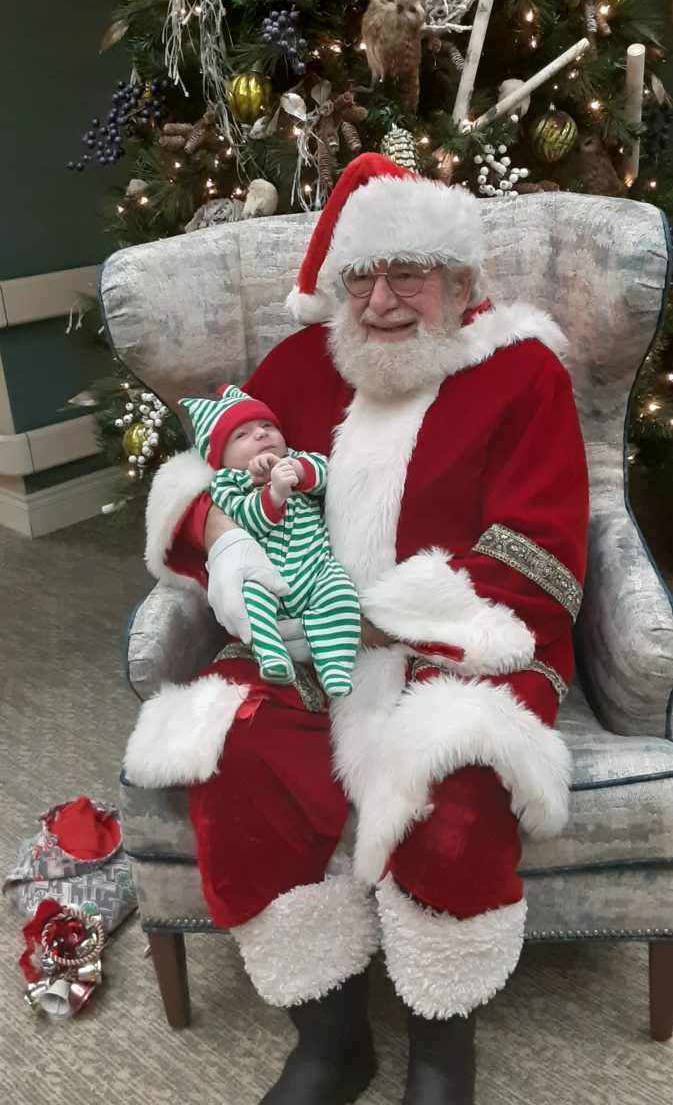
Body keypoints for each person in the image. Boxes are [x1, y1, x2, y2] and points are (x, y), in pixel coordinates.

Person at [125, 152, 589, 1105]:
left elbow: (541, 551)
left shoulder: (522, 374)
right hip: (304, 646)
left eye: (406, 274)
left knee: (451, 783)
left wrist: (380, 617)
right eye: (359, 277)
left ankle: (440, 1047)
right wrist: (225, 541)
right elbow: (206, 475)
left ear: (459, 283)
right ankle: (332, 1039)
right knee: (232, 756)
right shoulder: (302, 363)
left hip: (468, 644)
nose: (379, 301)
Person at [178, 382, 360, 695]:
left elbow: (326, 473)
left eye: (267, 426)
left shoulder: (295, 459)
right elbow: (246, 518)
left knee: (341, 595)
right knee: (250, 598)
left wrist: (296, 471)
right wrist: (273, 493)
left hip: (316, 567)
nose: (261, 434)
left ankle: (335, 666)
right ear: (220, 456)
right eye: (241, 435)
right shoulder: (227, 481)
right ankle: (272, 653)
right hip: (265, 573)